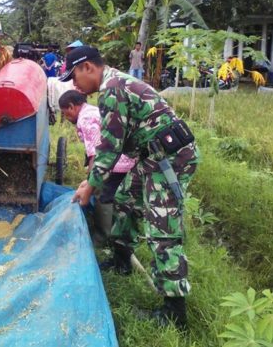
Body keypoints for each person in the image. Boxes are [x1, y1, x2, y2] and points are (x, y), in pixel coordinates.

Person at [61, 46, 199, 328]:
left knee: (163, 230)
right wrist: (92, 179)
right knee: (125, 200)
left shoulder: (113, 88)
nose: (74, 84)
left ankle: (175, 311)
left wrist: (90, 187)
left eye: (74, 76)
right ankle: (122, 260)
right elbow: (112, 144)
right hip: (151, 157)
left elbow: (110, 147)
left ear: (88, 67)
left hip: (170, 159)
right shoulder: (113, 84)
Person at [58, 90, 136, 242]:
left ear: (71, 106)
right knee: (114, 193)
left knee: (102, 193)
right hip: (126, 157)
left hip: (114, 162)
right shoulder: (93, 110)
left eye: (65, 113)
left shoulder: (85, 119)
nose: (66, 118)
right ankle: (119, 228)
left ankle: (103, 236)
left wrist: (91, 182)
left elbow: (96, 153)